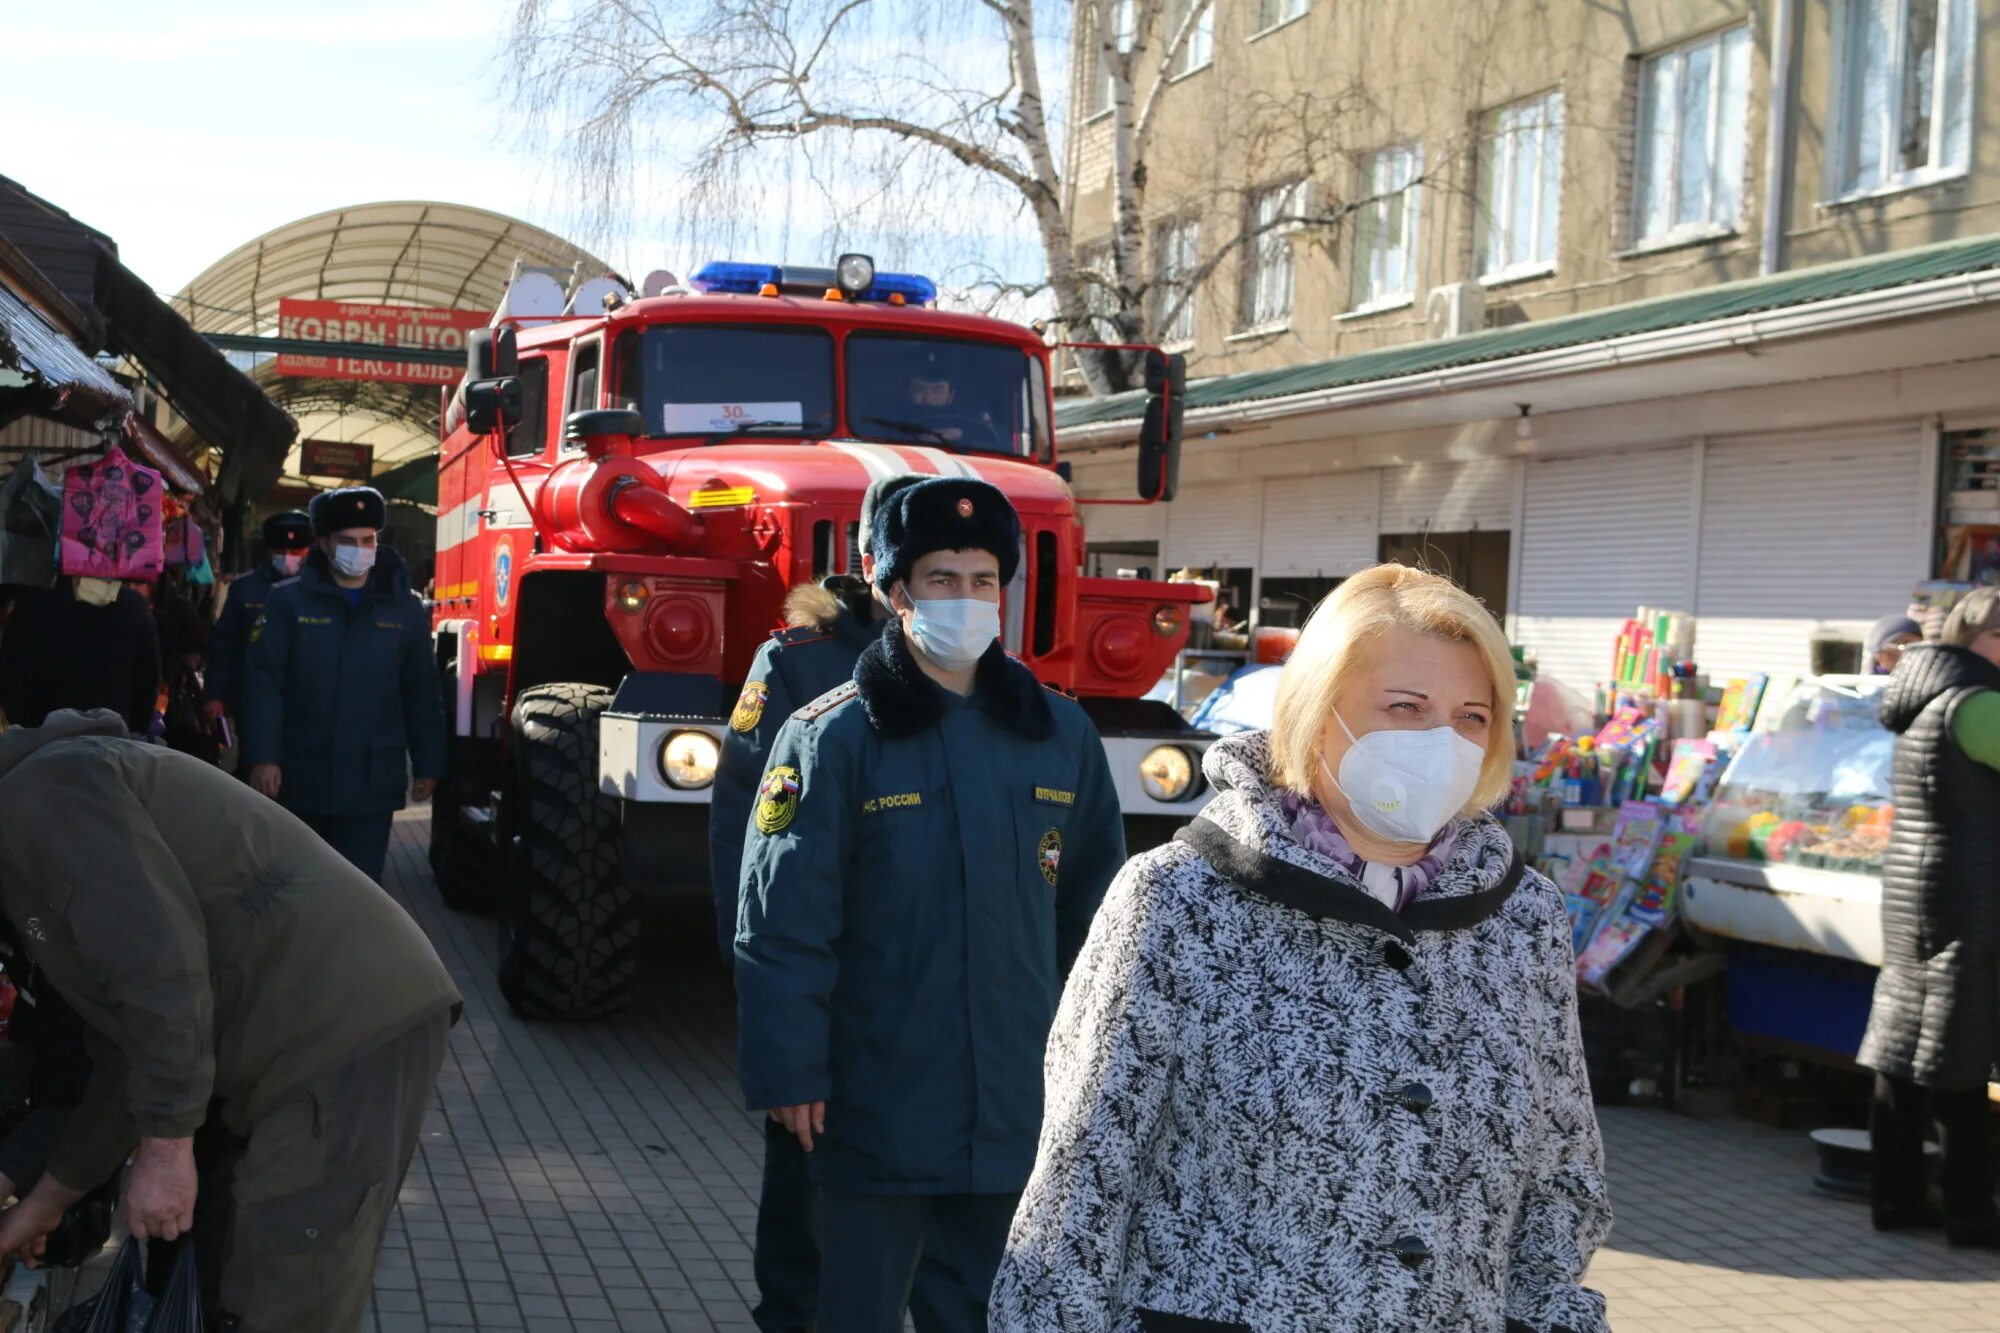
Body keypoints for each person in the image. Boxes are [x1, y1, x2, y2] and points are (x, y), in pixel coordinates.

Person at [990, 563, 1611, 1333]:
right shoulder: (1180, 898)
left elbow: (1563, 1180)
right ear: (1321, 716)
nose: (1443, 742)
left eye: (1471, 717)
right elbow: (1078, 1190)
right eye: (1407, 707)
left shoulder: (1523, 917)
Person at [736, 477, 1124, 1333]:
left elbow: (1100, 923)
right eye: (943, 579)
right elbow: (784, 922)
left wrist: (1093, 1075)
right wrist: (790, 1071)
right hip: (875, 1107)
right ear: (896, 589)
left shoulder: (1060, 735)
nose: (967, 598)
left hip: (1014, 1113)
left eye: (984, 579)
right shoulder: (831, 735)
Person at [0, 709, 461, 1331]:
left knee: (282, 1289)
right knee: (235, 1274)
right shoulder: (33, 829)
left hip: (335, 1035)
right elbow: (125, 1048)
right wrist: (48, 1201)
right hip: (304, 1034)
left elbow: (161, 971)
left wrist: (165, 1152)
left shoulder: (45, 796)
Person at [710, 471, 925, 1333]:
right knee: (804, 1203)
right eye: (923, 566)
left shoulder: (991, 684)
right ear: (873, 559)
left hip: (925, 992)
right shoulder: (798, 664)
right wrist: (758, 977)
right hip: (827, 984)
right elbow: (744, 829)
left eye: (971, 571)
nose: (944, 589)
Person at [1860, 586, 2000, 1248]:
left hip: (1918, 891)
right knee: (1960, 1056)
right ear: (1988, 638)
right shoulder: (1978, 703)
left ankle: (1896, 1196)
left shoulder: (1923, 695)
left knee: (1905, 1047)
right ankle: (1972, 1213)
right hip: (1966, 895)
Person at [241, 487, 445, 883]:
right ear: (323, 543)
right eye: (347, 541)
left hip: (371, 783)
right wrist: (263, 757)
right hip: (299, 778)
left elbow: (421, 691)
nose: (360, 549)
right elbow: (263, 683)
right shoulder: (288, 603)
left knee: (359, 893)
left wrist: (429, 764)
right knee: (293, 890)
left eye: (367, 540)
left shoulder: (403, 609)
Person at [0, 575, 159, 735]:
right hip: (112, 737)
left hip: (49, 736)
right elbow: (148, 681)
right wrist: (132, 731)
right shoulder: (134, 605)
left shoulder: (34, 600)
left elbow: (11, 673)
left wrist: (30, 726)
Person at [205, 511, 312, 737]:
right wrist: (214, 695)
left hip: (307, 700)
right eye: (280, 552)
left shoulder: (320, 591)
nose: (287, 557)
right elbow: (223, 645)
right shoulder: (244, 589)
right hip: (252, 697)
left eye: (295, 552)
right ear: (268, 551)